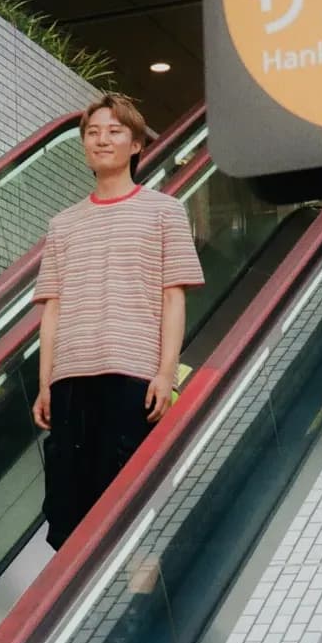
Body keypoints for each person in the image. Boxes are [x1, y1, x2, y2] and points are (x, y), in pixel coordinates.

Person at [31, 93, 205, 550]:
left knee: (130, 507)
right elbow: (52, 308)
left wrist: (165, 373)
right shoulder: (62, 225)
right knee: (68, 510)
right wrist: (45, 382)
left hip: (133, 377)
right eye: (92, 133)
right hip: (70, 381)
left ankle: (133, 610)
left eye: (114, 131)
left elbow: (174, 298)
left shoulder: (165, 211)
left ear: (135, 145)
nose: (101, 140)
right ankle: (76, 615)